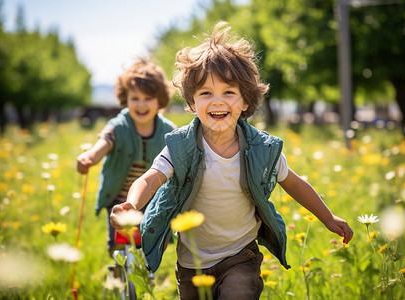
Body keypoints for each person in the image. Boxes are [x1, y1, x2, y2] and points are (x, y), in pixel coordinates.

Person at [110, 22, 353, 300]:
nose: (217, 101)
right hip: (192, 263)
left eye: (228, 92)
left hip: (241, 255)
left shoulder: (260, 148)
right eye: (206, 93)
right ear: (191, 102)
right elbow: (151, 178)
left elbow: (295, 183)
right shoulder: (181, 146)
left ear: (245, 101)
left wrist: (327, 217)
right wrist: (132, 205)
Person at [77, 58, 176, 257]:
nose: (141, 104)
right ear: (125, 99)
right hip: (119, 201)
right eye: (135, 98)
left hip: (151, 200)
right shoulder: (118, 126)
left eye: (148, 98)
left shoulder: (169, 131)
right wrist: (89, 157)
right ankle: (119, 276)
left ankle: (145, 277)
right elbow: (103, 143)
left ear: (159, 101)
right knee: (118, 248)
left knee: (149, 246)